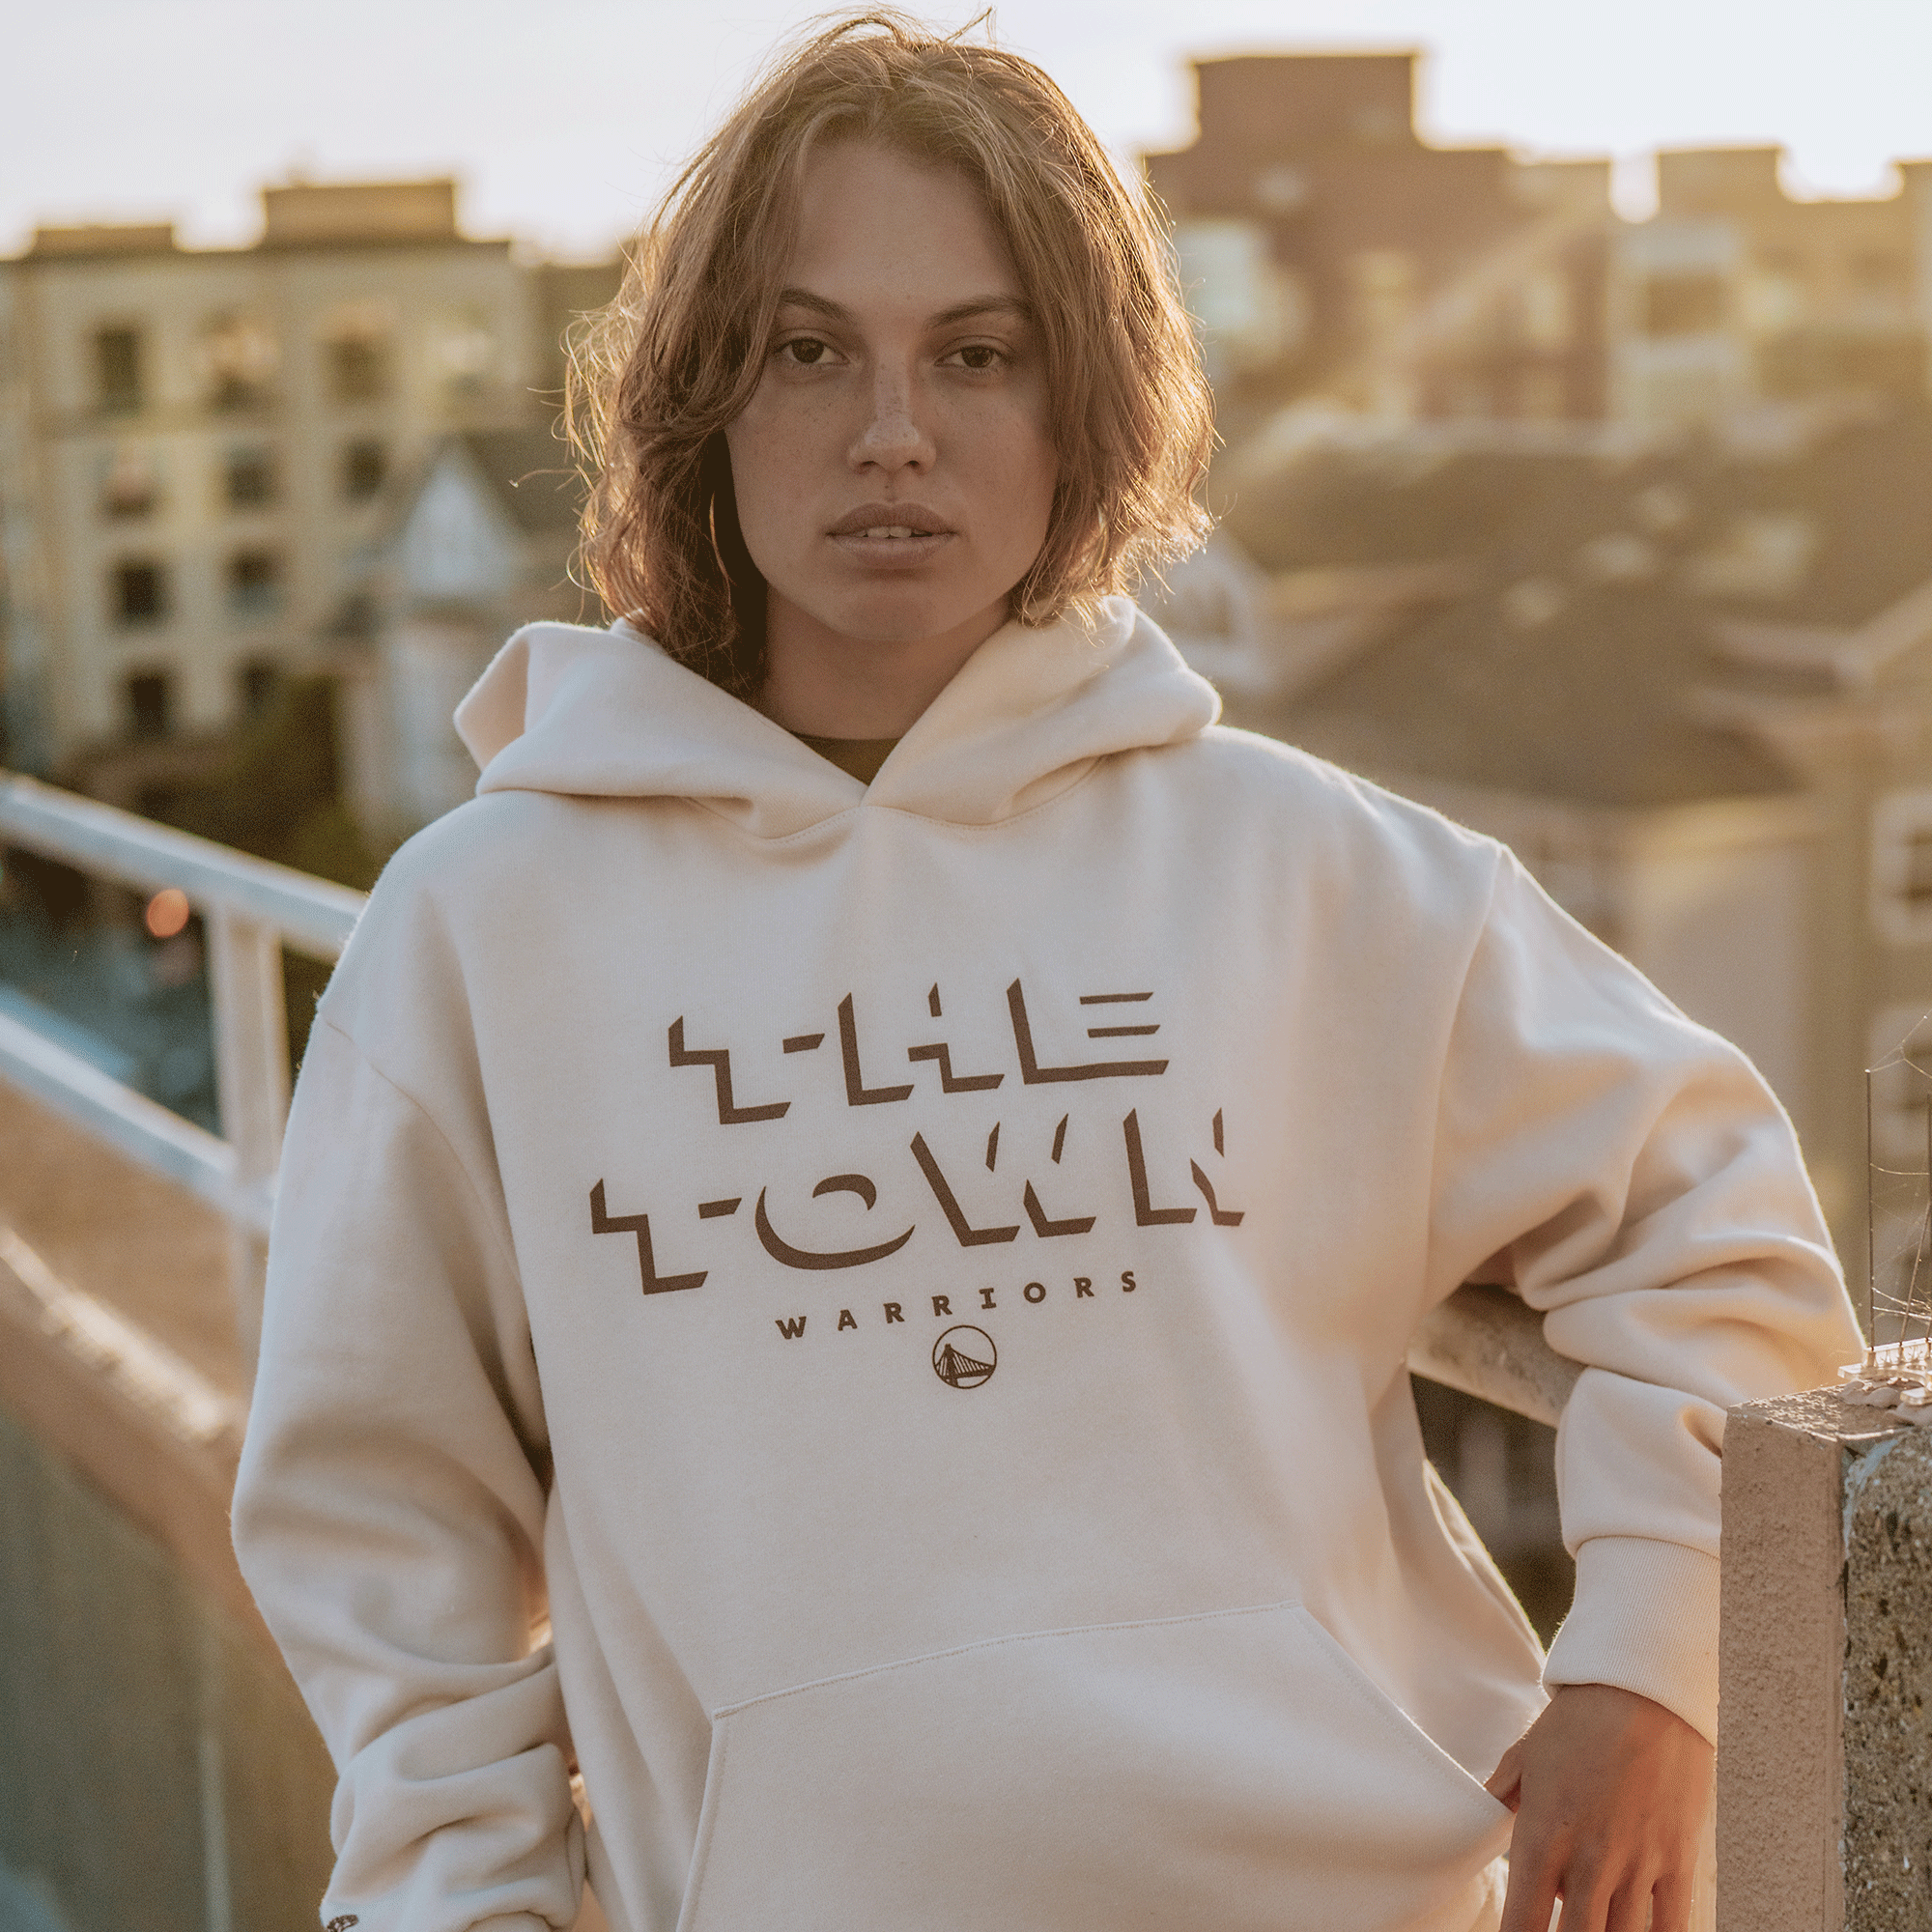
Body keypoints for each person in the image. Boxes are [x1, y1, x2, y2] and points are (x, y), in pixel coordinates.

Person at [231, 15, 1861, 1932]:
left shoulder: (1294, 862)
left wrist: (1650, 1660)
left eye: (977, 354)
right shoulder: (486, 928)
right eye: (806, 347)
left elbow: (1715, 1216)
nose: (891, 431)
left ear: (1078, 405)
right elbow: (386, 1525)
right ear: (702, 401)